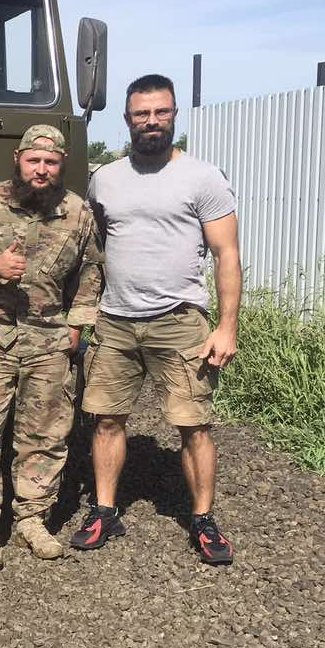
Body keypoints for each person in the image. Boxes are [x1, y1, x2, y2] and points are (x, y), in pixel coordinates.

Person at [76, 73, 241, 565]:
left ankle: (203, 520)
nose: (151, 121)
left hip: (180, 321)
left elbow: (226, 254)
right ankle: (105, 510)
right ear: (127, 119)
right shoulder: (105, 178)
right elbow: (99, 245)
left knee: (193, 425)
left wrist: (227, 327)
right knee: (107, 419)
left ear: (173, 115)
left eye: (161, 112)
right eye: (141, 114)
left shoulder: (203, 177)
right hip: (115, 322)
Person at [0, 125, 103, 569]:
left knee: (46, 435)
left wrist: (78, 326)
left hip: (50, 339)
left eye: (51, 162)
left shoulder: (78, 212)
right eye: (34, 160)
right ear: (18, 160)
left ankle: (33, 518)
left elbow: (92, 272)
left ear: (62, 165)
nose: (41, 169)